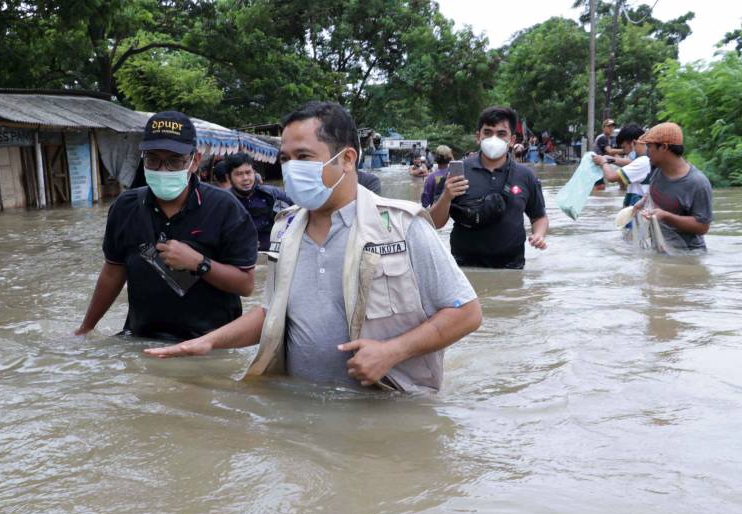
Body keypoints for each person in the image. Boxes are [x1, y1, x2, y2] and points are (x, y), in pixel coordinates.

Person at [146, 101, 482, 394]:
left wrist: (393, 351)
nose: (291, 169)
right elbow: (272, 315)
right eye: (286, 158)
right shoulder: (285, 228)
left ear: (347, 158)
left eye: (303, 156)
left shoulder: (401, 227)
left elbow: (466, 312)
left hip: (387, 408)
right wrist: (209, 341)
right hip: (299, 413)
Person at [75, 111, 259, 340]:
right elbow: (113, 272)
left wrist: (199, 263)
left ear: (195, 161)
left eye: (174, 161)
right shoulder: (126, 207)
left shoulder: (224, 208)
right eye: (153, 159)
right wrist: (85, 329)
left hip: (208, 342)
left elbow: (246, 284)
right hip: (141, 339)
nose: (162, 170)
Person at [429, 106, 549, 269]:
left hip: (511, 268)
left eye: (501, 134)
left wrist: (539, 235)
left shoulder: (526, 176)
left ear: (512, 140)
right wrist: (447, 197)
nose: (494, 138)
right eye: (487, 132)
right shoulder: (457, 172)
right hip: (464, 268)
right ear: (478, 136)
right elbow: (435, 223)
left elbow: (539, 216)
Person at [632, 122, 713, 251]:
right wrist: (642, 202)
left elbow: (703, 227)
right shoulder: (656, 168)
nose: (647, 152)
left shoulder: (697, 183)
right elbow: (655, 190)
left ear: (663, 147)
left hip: (686, 256)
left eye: (649, 146)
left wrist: (666, 216)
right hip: (661, 248)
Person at [226, 152, 293, 251]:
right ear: (229, 177)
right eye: (239, 174)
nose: (245, 178)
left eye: (248, 172)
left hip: (276, 255)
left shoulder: (273, 194)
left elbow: (298, 212)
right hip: (240, 259)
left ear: (254, 173)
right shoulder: (223, 201)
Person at [592, 123, 650, 207]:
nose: (624, 152)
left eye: (624, 148)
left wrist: (603, 162)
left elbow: (611, 177)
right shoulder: (647, 159)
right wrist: (612, 159)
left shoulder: (642, 162)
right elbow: (631, 163)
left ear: (633, 143)